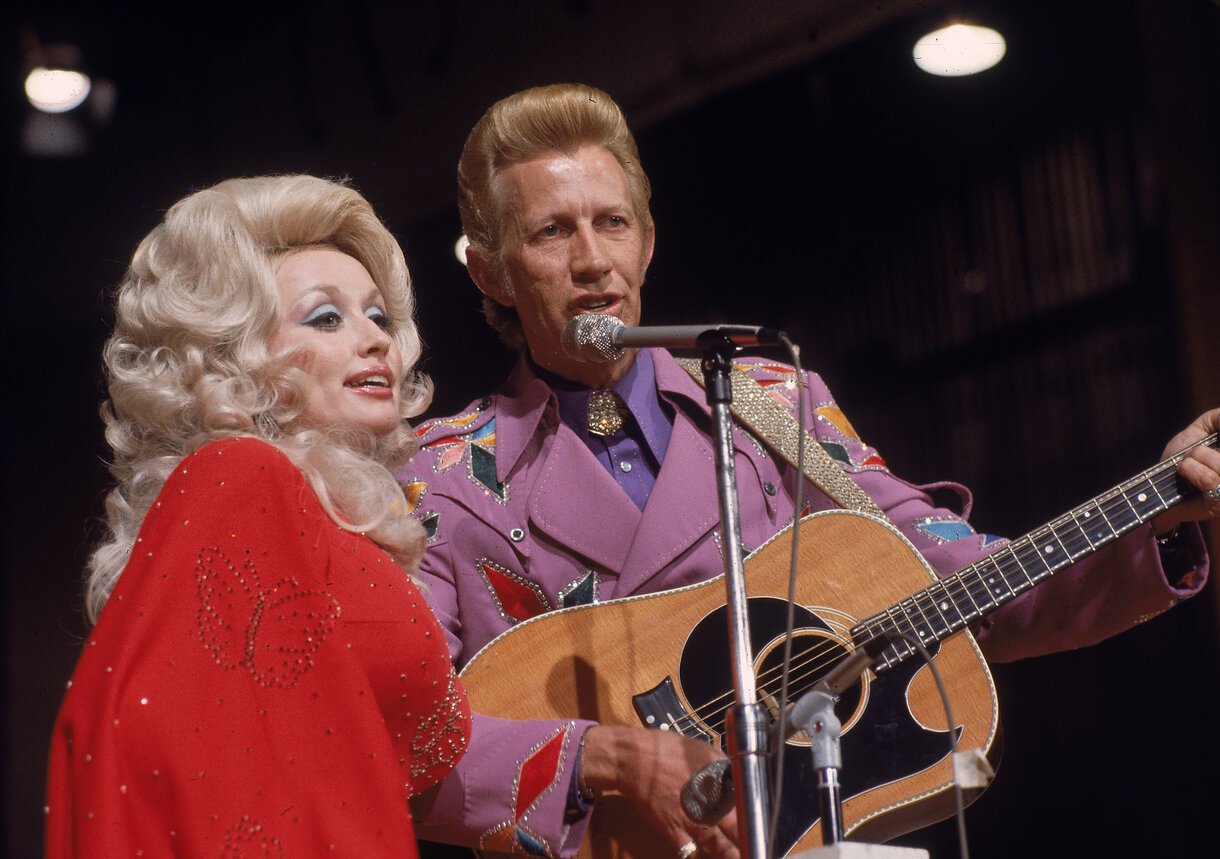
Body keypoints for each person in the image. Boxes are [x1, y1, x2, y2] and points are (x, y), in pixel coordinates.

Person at [399, 84, 1217, 859]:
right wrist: (608, 756)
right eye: (551, 232)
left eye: (611, 222)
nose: (591, 260)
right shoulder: (439, 479)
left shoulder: (771, 401)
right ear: (491, 271)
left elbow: (965, 581)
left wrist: (1157, 514)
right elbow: (404, 742)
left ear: (647, 243)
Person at [46, 174, 472, 856]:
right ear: (241, 357)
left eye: (378, 316)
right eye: (325, 317)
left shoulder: (327, 520)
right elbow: (175, 762)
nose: (374, 340)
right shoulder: (241, 476)